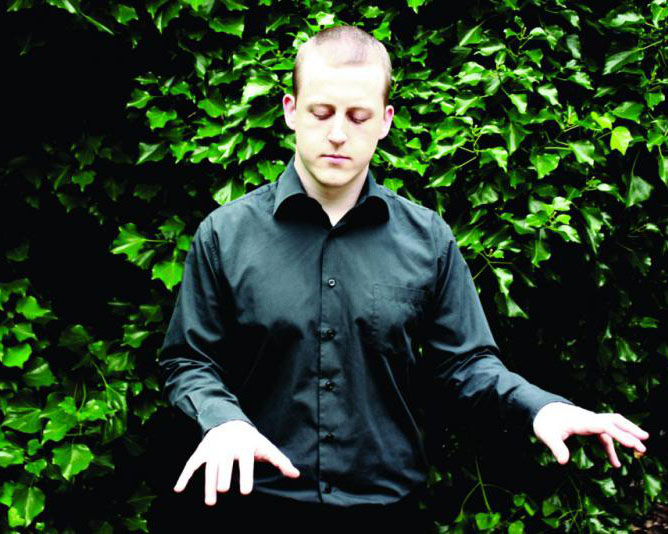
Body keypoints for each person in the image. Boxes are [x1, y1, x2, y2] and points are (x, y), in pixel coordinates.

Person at [157, 25, 649, 531]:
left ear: (385, 121)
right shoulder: (226, 234)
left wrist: (540, 409)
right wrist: (224, 420)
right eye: (321, 113)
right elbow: (189, 360)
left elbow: (467, 363)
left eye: (358, 117)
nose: (338, 134)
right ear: (290, 110)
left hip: (390, 515)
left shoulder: (427, 239)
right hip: (254, 509)